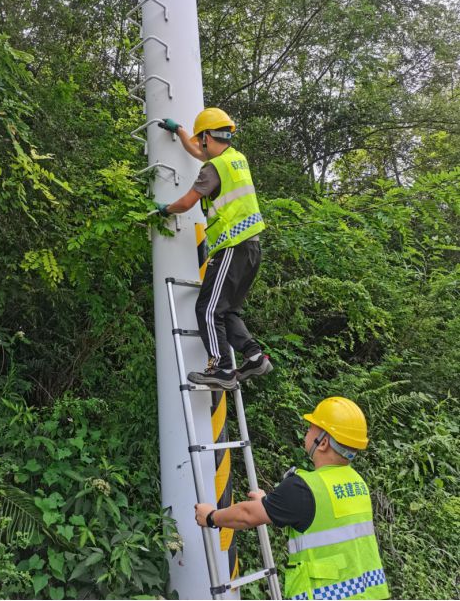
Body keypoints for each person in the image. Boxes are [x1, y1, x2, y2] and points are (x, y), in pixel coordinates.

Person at [194, 397, 390, 600]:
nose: (306, 431)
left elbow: (246, 515)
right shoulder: (357, 483)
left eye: (311, 428)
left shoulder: (304, 489)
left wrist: (210, 516)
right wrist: (267, 503)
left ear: (323, 443)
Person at [155, 107, 272, 390]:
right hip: (251, 250)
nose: (199, 144)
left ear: (207, 136)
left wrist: (163, 210)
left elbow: (185, 203)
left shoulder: (213, 169)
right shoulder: (235, 159)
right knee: (227, 311)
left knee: (207, 309)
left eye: (200, 138)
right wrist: (180, 130)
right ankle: (255, 357)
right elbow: (199, 153)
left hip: (231, 247)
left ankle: (221, 368)